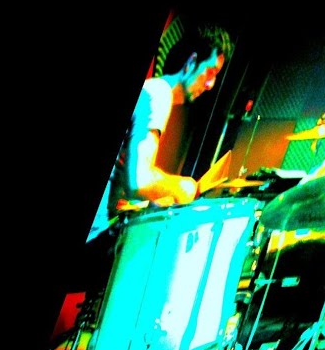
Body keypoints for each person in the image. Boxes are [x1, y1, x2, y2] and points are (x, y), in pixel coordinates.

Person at [87, 23, 234, 243]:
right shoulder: (159, 95)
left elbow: (128, 177)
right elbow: (140, 182)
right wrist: (182, 187)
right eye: (210, 72)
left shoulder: (153, 91)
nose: (210, 84)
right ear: (191, 62)